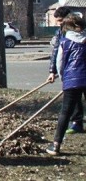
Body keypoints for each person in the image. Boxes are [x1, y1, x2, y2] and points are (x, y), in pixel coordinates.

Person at [46, 14, 86, 155]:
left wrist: (64, 78)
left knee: (65, 112)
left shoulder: (65, 41)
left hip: (72, 80)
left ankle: (56, 145)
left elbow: (60, 62)